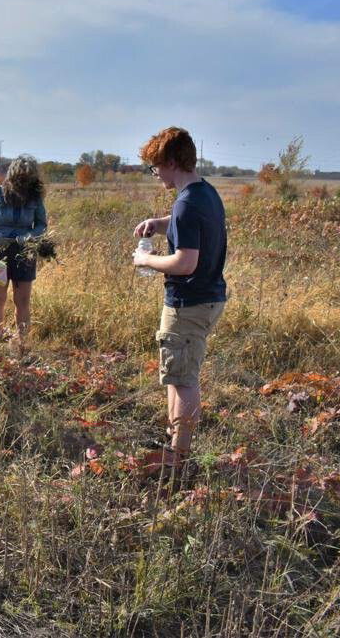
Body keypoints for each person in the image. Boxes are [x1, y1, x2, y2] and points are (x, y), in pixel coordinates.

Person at [132, 126, 227, 470]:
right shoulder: (205, 193)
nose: (155, 173)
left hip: (189, 302)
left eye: (155, 166)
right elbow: (187, 223)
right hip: (207, 298)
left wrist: (146, 260)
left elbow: (185, 262)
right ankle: (175, 443)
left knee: (183, 379)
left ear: (172, 162)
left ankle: (179, 459)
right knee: (176, 374)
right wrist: (159, 223)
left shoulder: (187, 203)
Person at [0, 154, 48, 346]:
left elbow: (42, 224)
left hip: (24, 253)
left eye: (28, 177)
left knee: (22, 300)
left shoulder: (35, 198)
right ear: (12, 174)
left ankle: (22, 342)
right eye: (20, 176)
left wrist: (31, 235)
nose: (23, 180)